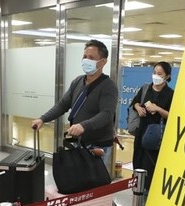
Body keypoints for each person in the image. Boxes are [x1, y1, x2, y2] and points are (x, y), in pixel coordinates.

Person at [31, 39, 119, 169]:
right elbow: (63, 105)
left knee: (94, 185)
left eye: (91, 57)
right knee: (79, 182)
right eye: (84, 57)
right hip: (79, 143)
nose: (86, 60)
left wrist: (83, 126)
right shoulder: (78, 81)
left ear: (103, 62)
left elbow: (106, 114)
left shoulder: (108, 86)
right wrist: (43, 119)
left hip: (98, 146)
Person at [129, 62, 174, 192]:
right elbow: (135, 103)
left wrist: (158, 109)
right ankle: (137, 190)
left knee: (151, 165)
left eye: (159, 74)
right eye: (154, 73)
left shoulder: (170, 94)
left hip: (156, 136)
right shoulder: (145, 89)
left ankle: (148, 193)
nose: (155, 76)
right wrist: (138, 108)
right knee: (138, 161)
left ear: (167, 76)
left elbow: (171, 115)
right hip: (141, 131)